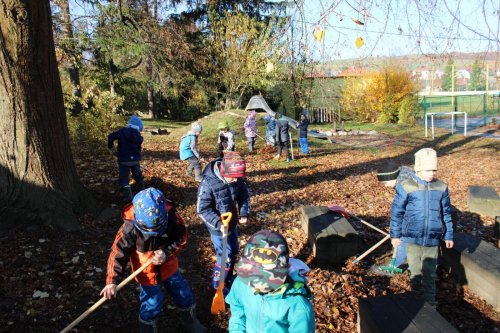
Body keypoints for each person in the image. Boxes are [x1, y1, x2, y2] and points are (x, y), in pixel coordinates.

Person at [100, 188, 207, 333]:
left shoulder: (172, 218)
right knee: (152, 302)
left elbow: (182, 237)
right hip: (146, 273)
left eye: (157, 229)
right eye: (148, 230)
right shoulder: (129, 229)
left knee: (182, 291)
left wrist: (166, 252)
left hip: (169, 267)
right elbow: (117, 254)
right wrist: (112, 281)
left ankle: (189, 321)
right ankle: (148, 328)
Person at [390, 148, 454, 305]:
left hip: (432, 240)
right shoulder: (406, 186)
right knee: (416, 272)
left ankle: (430, 304)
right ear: (418, 169)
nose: (432, 173)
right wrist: (395, 235)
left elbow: (446, 212)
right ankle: (417, 302)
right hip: (412, 239)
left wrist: (449, 235)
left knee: (430, 274)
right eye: (427, 170)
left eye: (434, 169)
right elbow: (397, 212)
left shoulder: (441, 187)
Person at [225, 230, 316, 332]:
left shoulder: (298, 305)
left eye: (266, 279)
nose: (258, 285)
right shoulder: (241, 283)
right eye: (253, 278)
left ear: (286, 269)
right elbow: (237, 311)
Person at [196, 152, 250, 294]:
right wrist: (219, 224)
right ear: (223, 171)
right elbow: (202, 209)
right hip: (218, 228)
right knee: (225, 255)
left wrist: (244, 212)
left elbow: (244, 195)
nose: (235, 181)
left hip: (231, 223)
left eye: (238, 178)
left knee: (234, 251)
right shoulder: (208, 183)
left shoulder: (236, 178)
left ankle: (228, 277)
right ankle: (218, 284)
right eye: (233, 178)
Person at [376, 161, 415, 267]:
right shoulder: (410, 179)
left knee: (403, 241)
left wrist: (396, 235)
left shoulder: (403, 188)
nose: (385, 186)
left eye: (385, 183)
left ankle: (395, 265)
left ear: (391, 177)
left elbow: (397, 213)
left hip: (417, 223)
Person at [108, 115, 145, 203]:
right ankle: (143, 191)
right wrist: (137, 155)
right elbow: (139, 148)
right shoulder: (139, 136)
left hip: (124, 160)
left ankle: (128, 196)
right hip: (135, 161)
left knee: (124, 178)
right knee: (138, 176)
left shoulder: (122, 131)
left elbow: (110, 137)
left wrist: (111, 148)